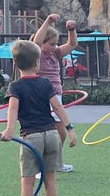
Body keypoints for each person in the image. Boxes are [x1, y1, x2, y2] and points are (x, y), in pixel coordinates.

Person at [0, 40, 77, 196]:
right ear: (37, 62)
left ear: (15, 63)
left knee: (28, 182)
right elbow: (58, 107)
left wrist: (9, 131)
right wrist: (70, 129)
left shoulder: (15, 86)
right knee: (50, 180)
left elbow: (13, 109)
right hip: (52, 135)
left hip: (31, 137)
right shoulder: (46, 83)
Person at [30, 13, 78, 173]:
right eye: (51, 44)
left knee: (60, 132)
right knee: (42, 132)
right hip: (42, 95)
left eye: (56, 43)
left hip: (56, 94)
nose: (54, 46)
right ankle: (41, 165)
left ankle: (55, 162)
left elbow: (72, 44)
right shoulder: (38, 53)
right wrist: (48, 21)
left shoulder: (55, 53)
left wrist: (71, 29)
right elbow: (36, 41)